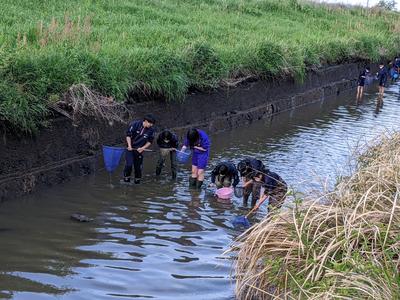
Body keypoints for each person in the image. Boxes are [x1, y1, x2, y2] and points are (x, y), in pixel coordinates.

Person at [122, 114, 156, 184]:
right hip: (130, 149)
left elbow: (150, 141)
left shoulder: (151, 130)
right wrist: (129, 146)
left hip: (139, 150)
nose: (151, 125)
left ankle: (137, 182)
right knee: (129, 165)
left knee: (138, 168)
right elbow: (128, 136)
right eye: (150, 123)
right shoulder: (135, 124)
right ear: (146, 121)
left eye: (152, 124)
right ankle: (126, 180)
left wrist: (143, 148)